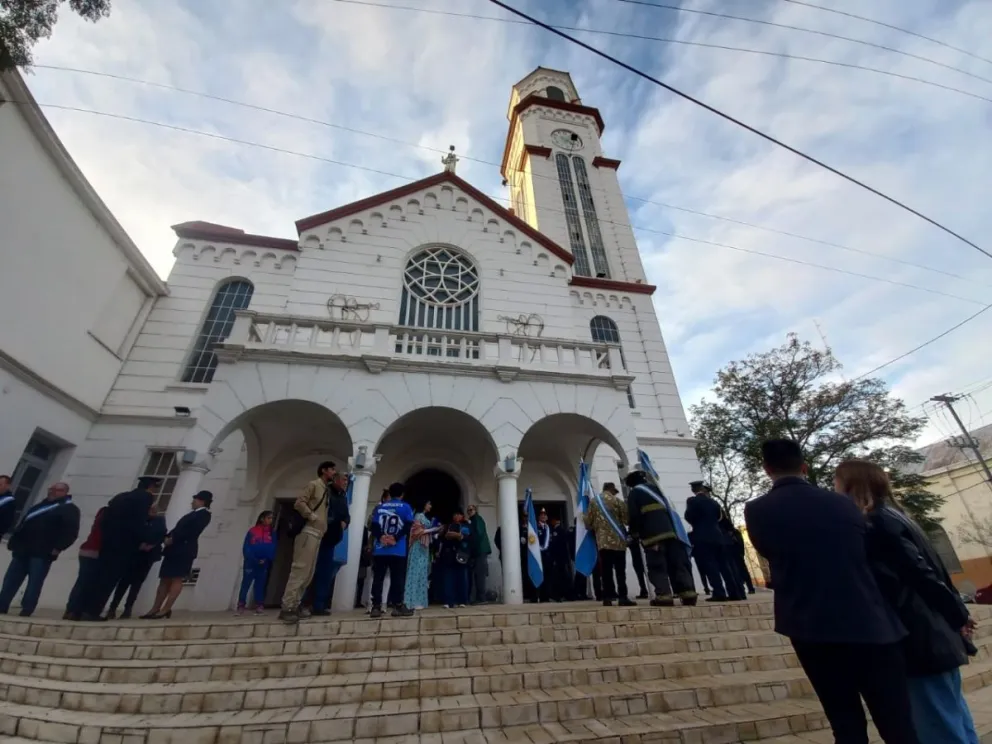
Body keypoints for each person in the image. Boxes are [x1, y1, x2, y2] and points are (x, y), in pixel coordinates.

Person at [744, 439, 917, 744]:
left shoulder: (757, 510)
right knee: (897, 721)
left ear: (767, 469)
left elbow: (768, 550)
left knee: (844, 720)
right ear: (804, 466)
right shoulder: (843, 503)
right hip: (869, 620)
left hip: (809, 625)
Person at [836, 459, 979, 744]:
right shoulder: (899, 516)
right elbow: (935, 571)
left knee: (938, 723)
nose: (834, 488)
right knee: (955, 717)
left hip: (917, 635)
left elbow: (921, 574)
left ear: (851, 484)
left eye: (837, 482)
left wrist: (957, 615)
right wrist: (957, 613)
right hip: (934, 630)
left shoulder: (876, 523)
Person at [0, 482, 80, 617]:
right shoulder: (40, 506)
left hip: (43, 552)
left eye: (56, 490)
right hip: (23, 549)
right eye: (51, 489)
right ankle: (2, 604)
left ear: (65, 492)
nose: (52, 492)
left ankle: (27, 608)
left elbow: (71, 532)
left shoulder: (69, 509)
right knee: (11, 580)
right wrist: (14, 541)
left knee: (34, 582)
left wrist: (58, 548)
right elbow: (24, 523)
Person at [87, 476, 160, 619]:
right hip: (125, 545)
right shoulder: (144, 498)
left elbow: (106, 518)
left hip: (108, 542)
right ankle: (94, 612)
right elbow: (138, 523)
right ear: (150, 487)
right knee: (110, 579)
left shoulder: (121, 497)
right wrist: (147, 538)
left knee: (98, 576)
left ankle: (85, 609)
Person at [625, 470, 696, 607]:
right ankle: (688, 594)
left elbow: (634, 516)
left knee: (657, 566)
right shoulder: (658, 490)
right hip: (672, 532)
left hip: (652, 536)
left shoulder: (635, 493)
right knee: (678, 564)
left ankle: (664, 596)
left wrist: (633, 533)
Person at [141, 491, 212, 619]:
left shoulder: (204, 514)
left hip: (184, 549)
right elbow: (178, 528)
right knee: (165, 579)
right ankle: (155, 608)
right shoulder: (192, 514)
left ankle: (166, 608)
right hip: (174, 549)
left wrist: (173, 538)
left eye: (195, 499)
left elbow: (192, 531)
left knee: (176, 578)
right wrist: (167, 536)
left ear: (202, 501)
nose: (192, 502)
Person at [279, 461, 335, 623]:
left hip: (318, 534)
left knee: (308, 573)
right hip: (308, 531)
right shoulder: (314, 485)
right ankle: (287, 606)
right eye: (331, 469)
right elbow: (299, 502)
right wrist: (311, 516)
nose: (333, 472)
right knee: (300, 569)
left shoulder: (326, 490)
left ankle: (296, 604)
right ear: (324, 470)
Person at [685, 480, 744, 602]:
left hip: (702, 536)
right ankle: (734, 592)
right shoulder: (713, 502)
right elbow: (719, 517)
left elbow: (688, 516)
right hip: (718, 536)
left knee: (710, 565)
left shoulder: (692, 501)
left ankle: (719, 592)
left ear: (693, 490)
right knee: (724, 566)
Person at [106, 506, 167, 619]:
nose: (152, 512)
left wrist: (151, 544)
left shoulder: (159, 521)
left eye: (154, 510)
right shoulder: (139, 519)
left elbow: (161, 534)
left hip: (147, 556)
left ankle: (128, 608)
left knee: (137, 583)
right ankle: (113, 607)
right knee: (123, 582)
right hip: (133, 554)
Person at [368, 482, 415, 618]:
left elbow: (374, 525)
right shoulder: (406, 507)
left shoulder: (380, 507)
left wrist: (382, 536)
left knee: (378, 578)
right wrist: (395, 537)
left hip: (380, 548)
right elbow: (408, 525)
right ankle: (398, 606)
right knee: (397, 578)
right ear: (402, 494)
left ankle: (376, 607)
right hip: (398, 548)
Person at [585, 482, 635, 607]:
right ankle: (623, 597)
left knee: (606, 571)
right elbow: (626, 519)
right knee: (620, 571)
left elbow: (588, 523)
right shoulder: (618, 501)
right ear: (612, 490)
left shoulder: (594, 502)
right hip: (619, 542)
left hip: (603, 542)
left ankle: (607, 597)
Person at [310, 473, 351, 616]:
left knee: (325, 574)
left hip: (331, 540)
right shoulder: (325, 493)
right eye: (343, 480)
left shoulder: (342, 497)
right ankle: (302, 603)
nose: (346, 482)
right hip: (319, 536)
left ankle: (318, 605)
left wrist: (344, 523)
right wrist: (333, 521)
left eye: (347, 480)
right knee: (310, 571)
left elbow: (346, 515)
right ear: (335, 480)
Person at [64, 506, 105, 621]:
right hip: (94, 552)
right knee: (86, 583)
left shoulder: (102, 512)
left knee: (81, 582)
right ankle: (76, 610)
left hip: (86, 550)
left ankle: (71, 610)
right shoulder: (110, 517)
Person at [236, 510, 277, 615]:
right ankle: (241, 605)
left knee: (260, 584)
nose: (270, 520)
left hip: (264, 563)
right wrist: (252, 558)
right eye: (268, 518)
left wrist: (267, 558)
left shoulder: (272, 533)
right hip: (251, 562)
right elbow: (247, 547)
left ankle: (259, 605)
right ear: (262, 518)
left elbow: (273, 548)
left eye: (272, 518)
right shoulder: (252, 531)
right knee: (246, 583)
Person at [404, 501, 438, 610]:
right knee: (415, 572)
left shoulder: (424, 516)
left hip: (424, 547)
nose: (430, 506)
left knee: (422, 573)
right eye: (429, 504)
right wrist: (433, 529)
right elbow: (416, 531)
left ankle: (419, 600)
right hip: (418, 545)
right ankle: (411, 601)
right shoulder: (418, 516)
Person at [717, 500, 755, 595]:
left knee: (736, 569)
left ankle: (746, 588)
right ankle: (745, 588)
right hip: (733, 548)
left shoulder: (724, 527)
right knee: (739, 569)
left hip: (730, 548)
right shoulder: (731, 529)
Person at [439, 509, 471, 609]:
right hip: (449, 555)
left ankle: (462, 600)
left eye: (459, 514)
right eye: (455, 514)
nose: (456, 516)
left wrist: (459, 536)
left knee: (462, 578)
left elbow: (469, 538)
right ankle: (449, 601)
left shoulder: (466, 526)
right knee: (449, 579)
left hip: (462, 555)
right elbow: (444, 538)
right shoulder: (448, 526)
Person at [466, 504, 491, 604]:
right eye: (468, 510)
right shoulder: (473, 520)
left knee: (480, 574)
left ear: (475, 510)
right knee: (476, 574)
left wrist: (472, 548)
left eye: (471, 510)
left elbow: (478, 535)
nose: (469, 511)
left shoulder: (477, 519)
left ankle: (482, 598)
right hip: (477, 551)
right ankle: (478, 597)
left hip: (480, 550)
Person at [545, 514, 571, 602]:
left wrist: (555, 558)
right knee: (558, 577)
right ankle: (559, 595)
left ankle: (562, 595)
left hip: (559, 559)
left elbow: (558, 546)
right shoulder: (553, 530)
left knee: (559, 578)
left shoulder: (559, 530)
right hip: (558, 559)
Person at [536, 509, 551, 602]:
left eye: (545, 515)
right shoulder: (536, 527)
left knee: (548, 577)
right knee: (539, 576)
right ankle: (538, 596)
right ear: (538, 517)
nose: (543, 517)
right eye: (541, 515)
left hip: (547, 556)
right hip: (539, 555)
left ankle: (546, 596)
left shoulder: (549, 528)